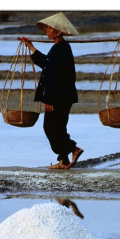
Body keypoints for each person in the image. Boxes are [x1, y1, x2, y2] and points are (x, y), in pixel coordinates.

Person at [22, 12, 84, 169]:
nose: (46, 31)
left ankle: (73, 149)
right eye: (47, 29)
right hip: (62, 96)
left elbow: (55, 77)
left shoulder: (62, 48)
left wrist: (48, 99)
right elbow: (47, 65)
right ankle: (63, 160)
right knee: (58, 128)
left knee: (50, 128)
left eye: (49, 29)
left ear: (58, 31)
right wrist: (31, 47)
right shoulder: (58, 47)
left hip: (60, 97)